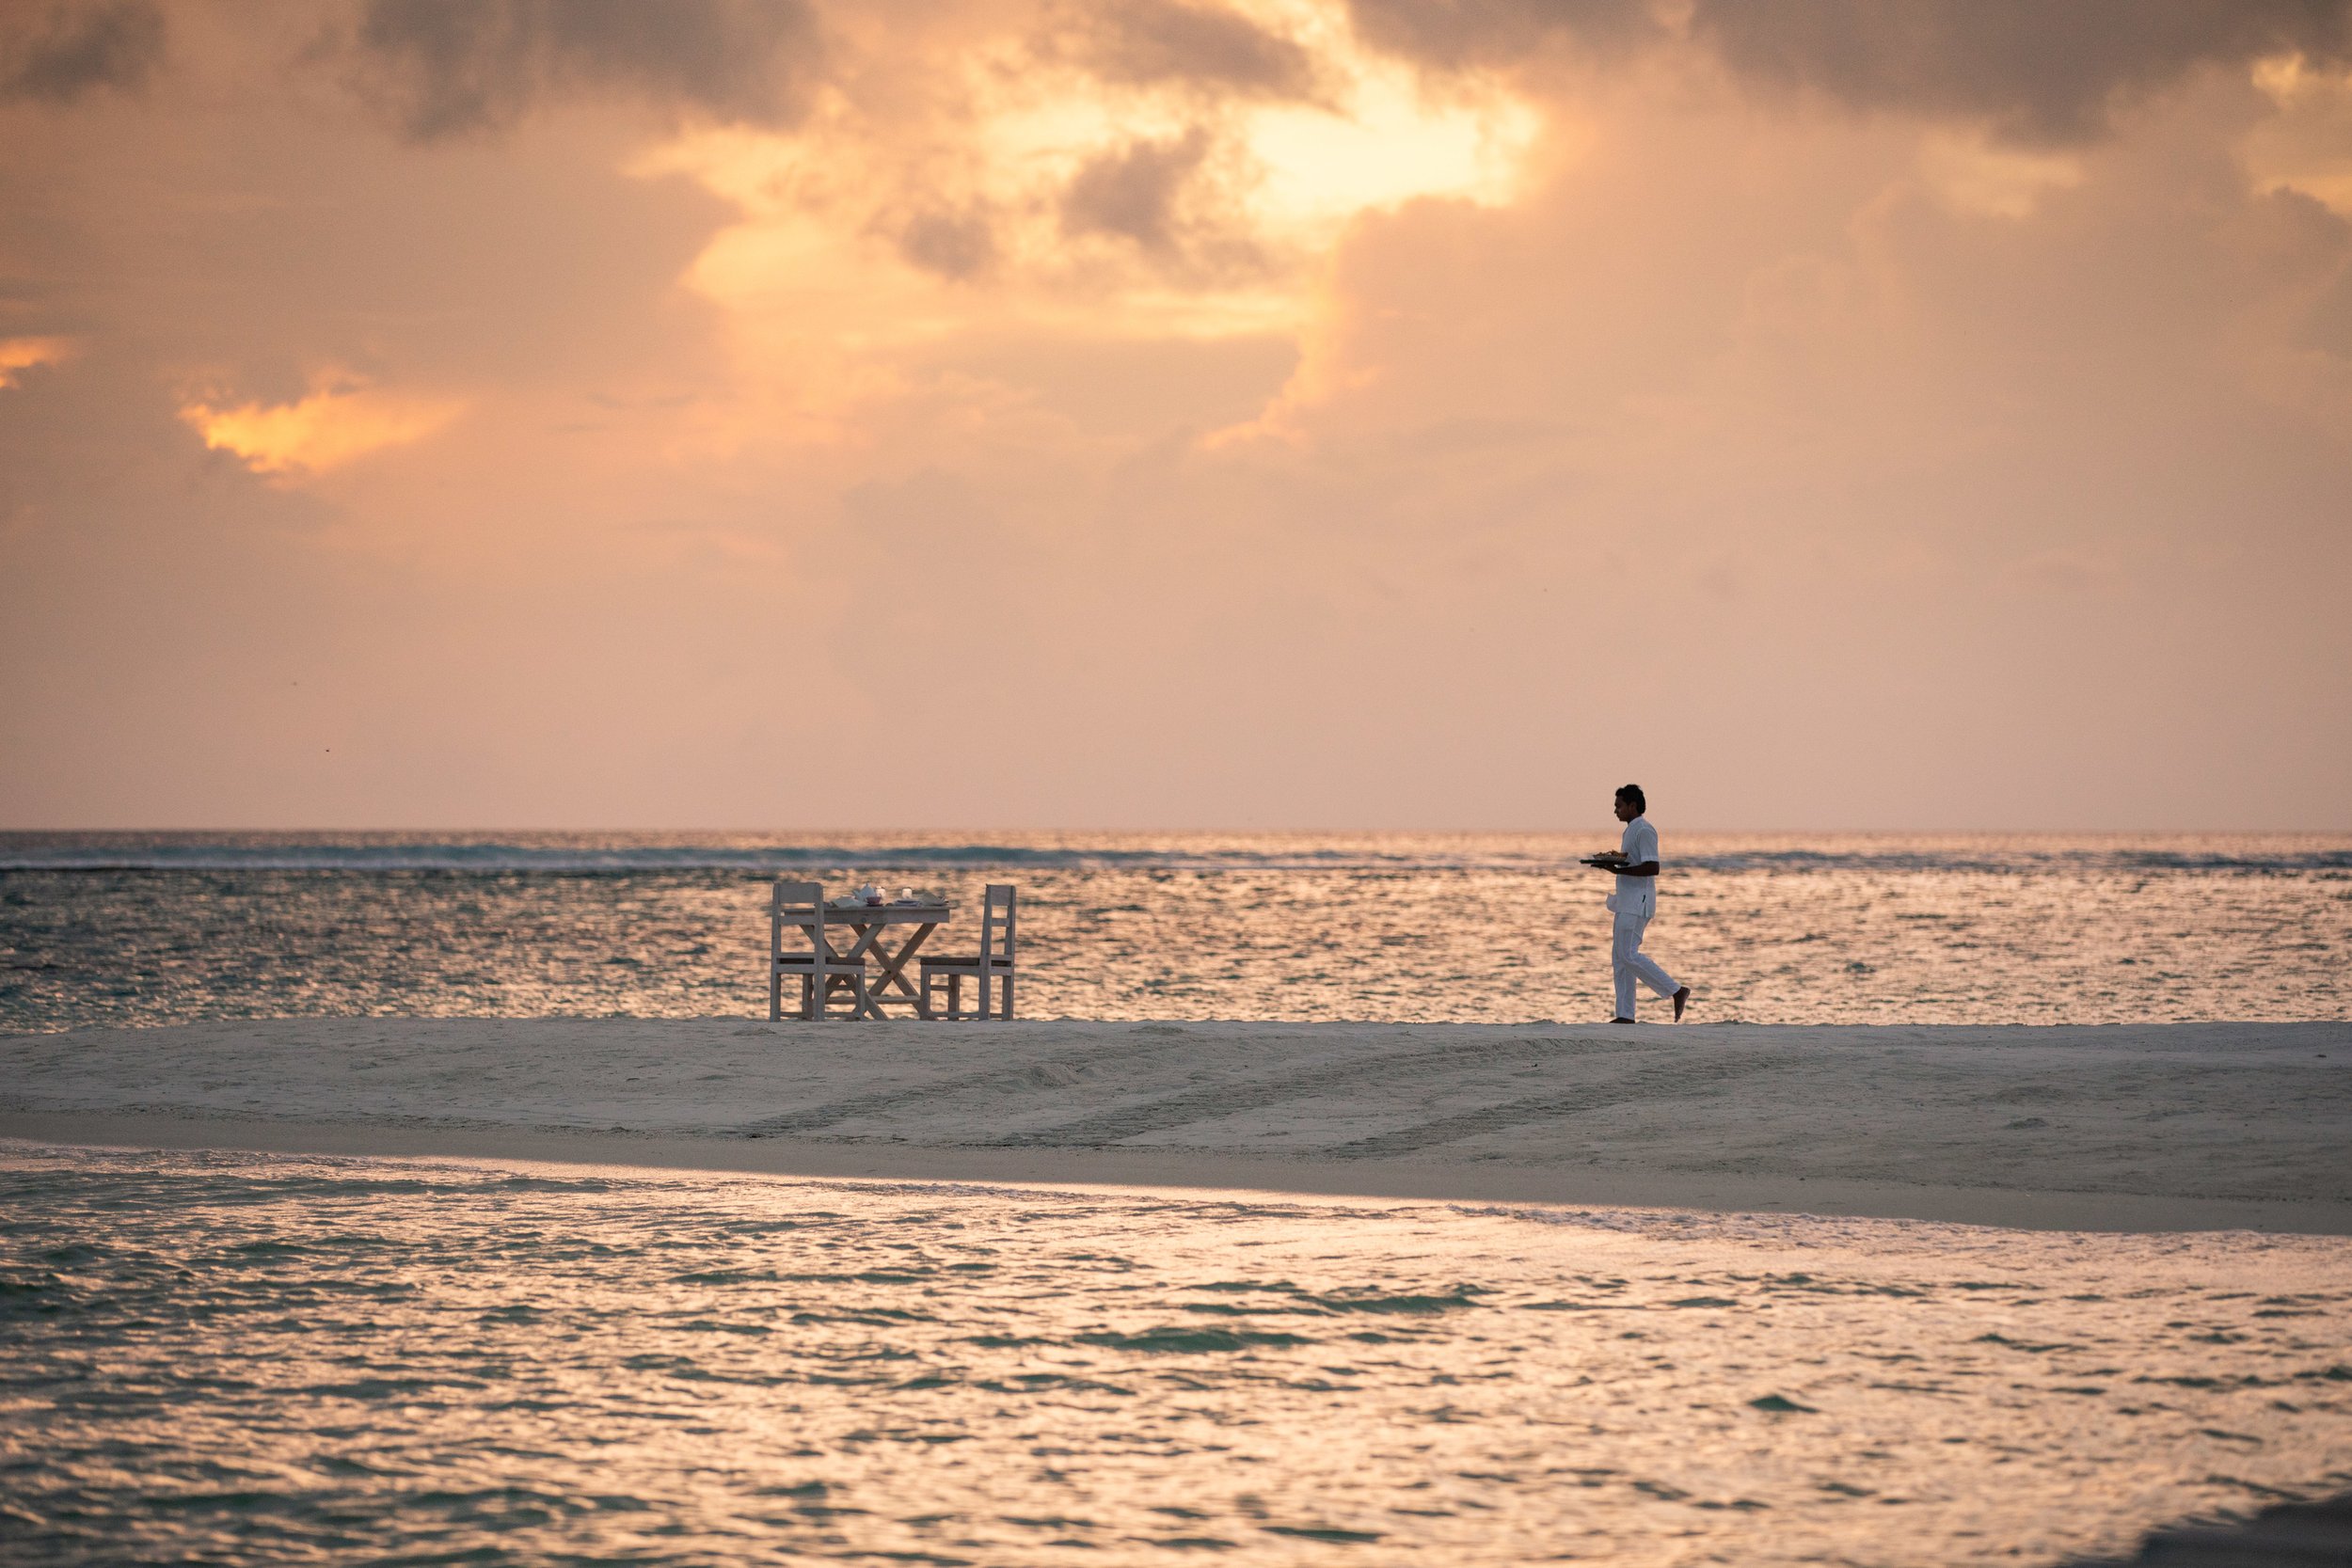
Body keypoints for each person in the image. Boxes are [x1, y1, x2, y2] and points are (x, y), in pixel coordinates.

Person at [1586, 784, 1690, 1023]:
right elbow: (1633, 863)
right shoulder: (1631, 830)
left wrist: (1617, 870)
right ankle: (1625, 1015)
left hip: (1637, 904)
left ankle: (1676, 990)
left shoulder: (1644, 830)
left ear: (1633, 806)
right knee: (1619, 958)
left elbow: (1653, 867)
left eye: (1619, 806)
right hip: (1625, 902)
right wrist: (1615, 867)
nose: (1615, 811)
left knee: (1628, 954)